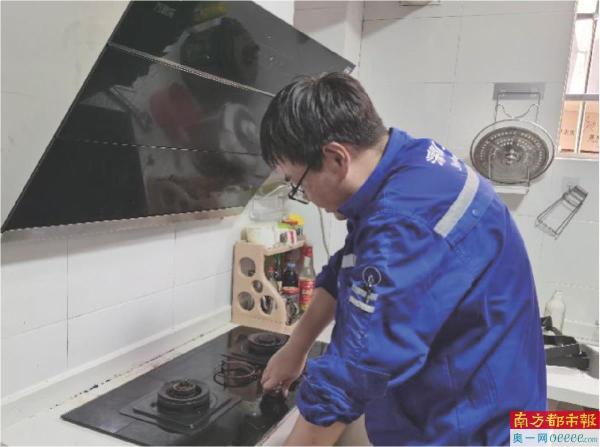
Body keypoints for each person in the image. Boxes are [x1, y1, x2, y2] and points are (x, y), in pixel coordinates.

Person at [259, 72, 546, 446]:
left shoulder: (403, 223)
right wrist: (296, 346)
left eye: (298, 184)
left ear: (335, 158)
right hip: (467, 404)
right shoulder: (409, 162)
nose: (307, 197)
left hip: (472, 429)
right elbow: (348, 263)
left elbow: (355, 373)